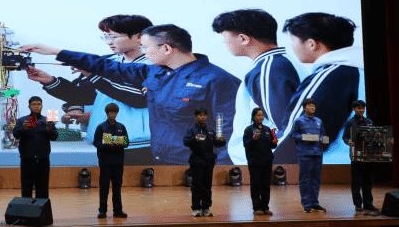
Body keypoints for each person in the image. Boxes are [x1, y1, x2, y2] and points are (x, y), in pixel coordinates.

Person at [21, 24, 240, 165]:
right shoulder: (155, 72)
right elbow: (103, 66)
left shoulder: (217, 80)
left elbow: (227, 129)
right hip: (161, 160)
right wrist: (56, 52)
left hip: (199, 164)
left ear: (166, 48)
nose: (144, 53)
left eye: (146, 47)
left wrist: (223, 171)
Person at [27, 14, 152, 163]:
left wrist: (93, 75)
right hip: (102, 141)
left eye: (113, 37)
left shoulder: (154, 66)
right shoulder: (106, 61)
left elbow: (138, 98)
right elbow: (81, 95)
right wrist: (49, 81)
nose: (109, 42)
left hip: (137, 144)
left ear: (139, 37)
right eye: (105, 37)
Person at [212, 9, 300, 165]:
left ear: (243, 39)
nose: (224, 43)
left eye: (225, 38)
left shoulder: (267, 70)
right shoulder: (282, 63)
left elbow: (287, 129)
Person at [276, 12, 363, 163]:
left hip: (330, 167)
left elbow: (296, 135)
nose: (291, 47)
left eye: (293, 41)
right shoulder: (357, 70)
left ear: (312, 44)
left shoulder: (330, 76)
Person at [12, 96, 58, 199]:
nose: (36, 107)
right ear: (29, 107)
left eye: (38, 104)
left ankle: (42, 209)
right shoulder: (22, 120)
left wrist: (50, 129)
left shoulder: (48, 120)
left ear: (42, 106)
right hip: (27, 159)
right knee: (26, 187)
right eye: (33, 104)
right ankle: (26, 208)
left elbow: (55, 137)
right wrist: (23, 128)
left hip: (43, 159)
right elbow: (16, 135)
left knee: (43, 188)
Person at [183, 108, 226, 217]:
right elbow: (186, 142)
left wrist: (222, 140)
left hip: (209, 162)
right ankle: (196, 208)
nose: (202, 117)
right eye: (200, 115)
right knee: (197, 185)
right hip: (197, 161)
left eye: (204, 115)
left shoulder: (210, 131)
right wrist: (195, 138)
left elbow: (218, 144)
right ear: (196, 117)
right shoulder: (192, 130)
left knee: (207, 185)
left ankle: (206, 208)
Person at [290, 98, 329, 213]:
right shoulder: (299, 121)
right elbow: (293, 134)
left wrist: (324, 140)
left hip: (317, 153)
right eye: (310, 105)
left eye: (314, 106)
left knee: (316, 180)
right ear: (304, 108)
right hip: (305, 153)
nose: (312, 107)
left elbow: (322, 135)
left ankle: (315, 203)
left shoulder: (319, 121)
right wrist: (304, 137)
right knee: (305, 179)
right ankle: (306, 204)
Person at [93, 103, 129, 219]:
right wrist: (107, 144)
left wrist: (117, 142)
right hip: (105, 162)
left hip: (118, 162)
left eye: (114, 112)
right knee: (104, 187)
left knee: (117, 187)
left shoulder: (121, 127)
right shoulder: (101, 127)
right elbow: (96, 143)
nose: (113, 114)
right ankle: (102, 210)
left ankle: (118, 210)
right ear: (107, 113)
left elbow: (126, 142)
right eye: (110, 112)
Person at [342, 100, 379, 213]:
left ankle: (368, 204)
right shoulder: (350, 122)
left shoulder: (369, 122)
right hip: (356, 156)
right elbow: (345, 137)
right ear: (354, 109)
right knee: (356, 183)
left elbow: (376, 136)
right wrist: (348, 142)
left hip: (368, 156)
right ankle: (358, 204)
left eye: (363, 108)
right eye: (358, 108)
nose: (361, 110)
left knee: (368, 182)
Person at [243, 108, 277, 215]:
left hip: (267, 161)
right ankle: (257, 207)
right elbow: (246, 144)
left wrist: (274, 142)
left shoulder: (267, 129)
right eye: (258, 115)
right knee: (256, 185)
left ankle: (265, 207)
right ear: (253, 117)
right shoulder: (249, 130)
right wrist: (253, 139)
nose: (260, 117)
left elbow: (272, 145)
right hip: (254, 162)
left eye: (262, 115)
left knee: (266, 185)